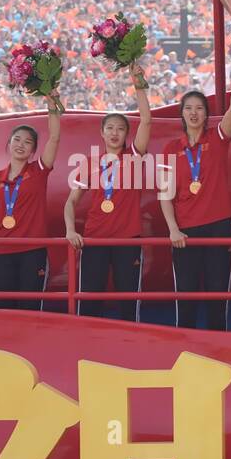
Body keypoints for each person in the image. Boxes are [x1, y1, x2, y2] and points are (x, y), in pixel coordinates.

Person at [161, 62, 231, 329]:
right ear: (182, 114)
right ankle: (186, 345)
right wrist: (173, 230)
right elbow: (165, 194)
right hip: (184, 232)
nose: (194, 113)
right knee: (186, 295)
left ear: (206, 114)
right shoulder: (170, 148)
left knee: (217, 292)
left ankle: (218, 344)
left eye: (199, 108)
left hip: (219, 227)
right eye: (188, 108)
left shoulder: (218, 138)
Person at [63, 62, 153, 321]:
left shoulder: (134, 156)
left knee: (128, 301)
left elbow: (146, 119)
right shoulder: (89, 163)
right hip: (95, 241)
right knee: (88, 301)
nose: (115, 133)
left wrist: (138, 84)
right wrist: (70, 230)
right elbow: (70, 202)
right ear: (101, 133)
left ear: (127, 134)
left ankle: (131, 346)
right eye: (110, 128)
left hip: (128, 241)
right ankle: (85, 346)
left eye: (120, 128)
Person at [0, 93, 63, 310]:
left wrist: (52, 108)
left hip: (32, 252)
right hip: (1, 254)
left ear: (33, 150)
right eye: (17, 140)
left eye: (28, 142)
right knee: (5, 308)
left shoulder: (39, 171)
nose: (21, 145)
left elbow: (54, 138)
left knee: (30, 308)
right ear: (8, 144)